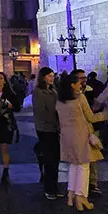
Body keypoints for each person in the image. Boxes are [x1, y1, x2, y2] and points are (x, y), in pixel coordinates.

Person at [57, 71, 108, 211]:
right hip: (80, 135)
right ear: (72, 85)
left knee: (74, 165)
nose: (81, 85)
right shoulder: (80, 98)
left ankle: (71, 194)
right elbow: (91, 118)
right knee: (84, 165)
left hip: (66, 135)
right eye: (79, 83)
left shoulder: (60, 100)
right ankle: (81, 197)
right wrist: (106, 114)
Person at [32, 67, 60, 199]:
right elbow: (41, 112)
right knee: (50, 159)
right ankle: (49, 189)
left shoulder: (53, 91)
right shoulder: (38, 92)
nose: (52, 78)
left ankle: (54, 186)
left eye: (52, 75)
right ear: (43, 77)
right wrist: (55, 123)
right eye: (49, 76)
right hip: (45, 128)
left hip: (54, 128)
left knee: (55, 158)